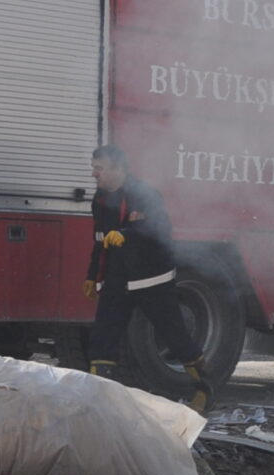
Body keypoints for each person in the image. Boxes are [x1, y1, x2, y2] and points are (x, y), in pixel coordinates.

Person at [85, 144, 209, 412]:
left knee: (174, 336)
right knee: (102, 339)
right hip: (117, 280)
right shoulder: (100, 199)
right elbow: (99, 241)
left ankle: (204, 390)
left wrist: (127, 234)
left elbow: (158, 230)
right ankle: (100, 401)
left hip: (152, 279)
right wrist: (92, 275)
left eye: (99, 169)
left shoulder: (144, 194)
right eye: (93, 168)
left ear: (119, 169)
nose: (94, 174)